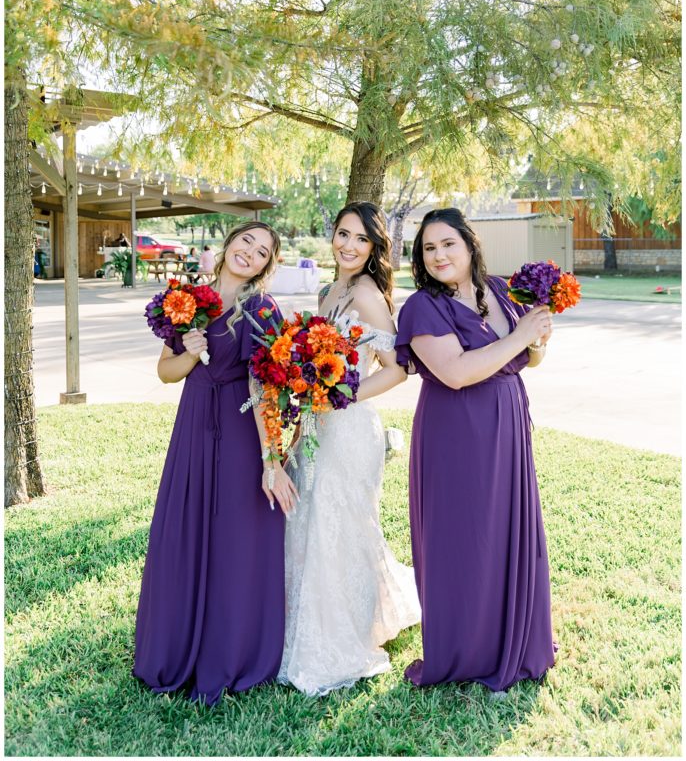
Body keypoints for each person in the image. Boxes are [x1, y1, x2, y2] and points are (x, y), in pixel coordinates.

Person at [133, 221, 298, 705]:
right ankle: (176, 646)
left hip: (240, 428)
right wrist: (189, 352)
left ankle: (232, 651)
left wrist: (271, 459)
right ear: (228, 244)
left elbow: (267, 387)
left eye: (263, 251)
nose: (251, 252)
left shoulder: (264, 310)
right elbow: (166, 372)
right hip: (193, 423)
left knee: (237, 537)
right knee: (186, 529)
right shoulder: (187, 299)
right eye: (247, 241)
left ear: (267, 266)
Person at [395, 208, 556, 692]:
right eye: (429, 248)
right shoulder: (422, 308)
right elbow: (457, 372)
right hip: (455, 433)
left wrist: (539, 338)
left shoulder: (504, 291)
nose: (439, 254)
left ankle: (515, 638)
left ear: (470, 245)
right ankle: (466, 648)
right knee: (463, 537)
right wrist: (522, 337)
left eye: (448, 244)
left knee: (506, 529)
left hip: (506, 425)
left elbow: (530, 358)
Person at [278, 202, 420, 696]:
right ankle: (305, 622)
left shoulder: (367, 295)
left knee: (340, 524)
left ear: (374, 247)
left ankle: (343, 635)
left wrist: (340, 393)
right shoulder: (328, 289)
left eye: (361, 239)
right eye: (343, 234)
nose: (349, 246)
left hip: (351, 426)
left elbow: (396, 368)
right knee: (311, 520)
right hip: (317, 423)